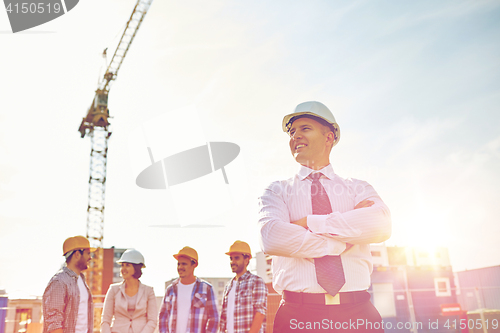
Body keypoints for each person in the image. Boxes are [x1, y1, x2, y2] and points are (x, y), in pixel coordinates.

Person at [258, 101, 392, 332]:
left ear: (329, 137)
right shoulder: (276, 190)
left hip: (358, 315)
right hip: (297, 316)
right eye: (292, 132)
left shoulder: (358, 187)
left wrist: (309, 223)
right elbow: (272, 238)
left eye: (305, 128)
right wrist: (344, 237)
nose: (295, 136)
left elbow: (381, 225)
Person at [158, 246, 219, 333]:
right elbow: (162, 317)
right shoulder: (170, 290)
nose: (180, 267)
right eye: (178, 264)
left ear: (194, 265)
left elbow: (214, 318)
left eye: (184, 264)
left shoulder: (206, 289)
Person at [43, 236, 95, 333]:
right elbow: (54, 322)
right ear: (77, 254)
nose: (90, 257)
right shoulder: (59, 281)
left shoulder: (82, 281)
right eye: (88, 253)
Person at [101, 249, 157, 333]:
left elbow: (152, 320)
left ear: (136, 267)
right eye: (122, 265)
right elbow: (105, 320)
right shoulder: (113, 290)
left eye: (127, 265)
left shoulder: (149, 291)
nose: (123, 268)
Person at [219, 241, 267, 333]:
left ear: (246, 260)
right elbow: (223, 318)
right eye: (231, 258)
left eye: (236, 258)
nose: (232, 262)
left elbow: (260, 313)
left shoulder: (256, 282)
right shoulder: (228, 286)